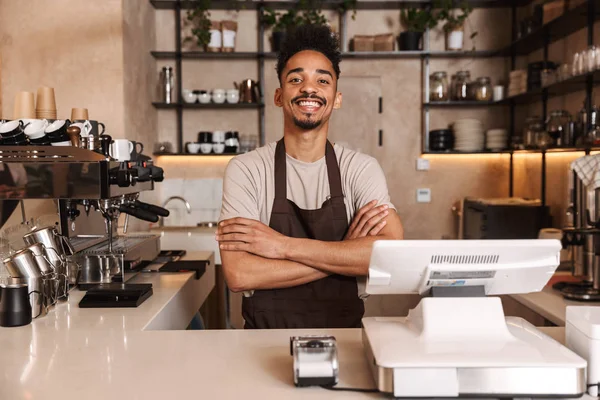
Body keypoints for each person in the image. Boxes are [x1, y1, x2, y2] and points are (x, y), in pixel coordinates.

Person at [217, 24, 403, 329]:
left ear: (336, 97)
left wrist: (281, 246)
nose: (309, 88)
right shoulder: (247, 170)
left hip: (345, 341)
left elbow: (390, 255)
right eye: (296, 79)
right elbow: (240, 275)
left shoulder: (360, 169)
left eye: (322, 80)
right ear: (279, 96)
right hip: (260, 342)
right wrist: (344, 252)